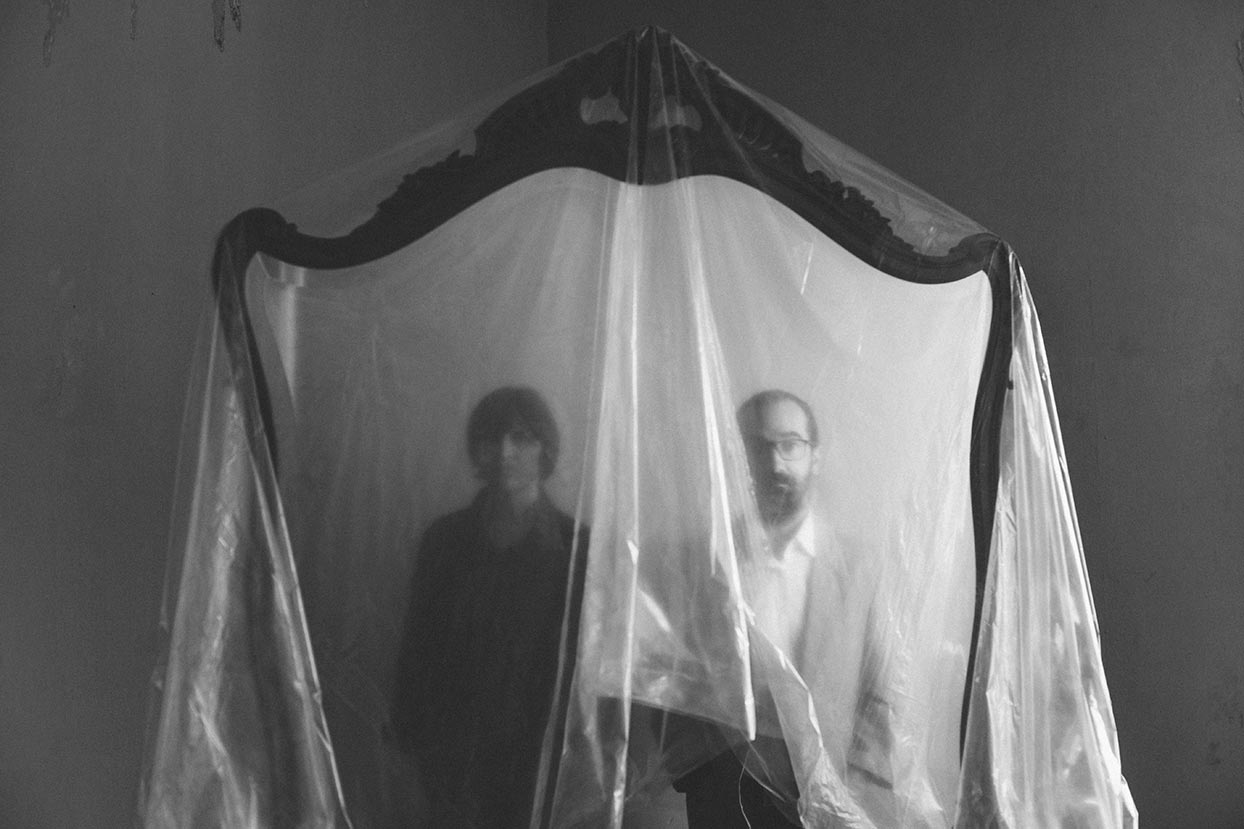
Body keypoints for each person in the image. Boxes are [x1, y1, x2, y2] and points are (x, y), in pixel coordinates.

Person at [671, 389, 893, 828]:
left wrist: (849, 790)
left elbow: (881, 690)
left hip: (827, 801)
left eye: (790, 444)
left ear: (816, 456)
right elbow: (672, 677)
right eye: (757, 447)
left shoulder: (860, 569)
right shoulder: (705, 562)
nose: (774, 464)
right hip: (722, 802)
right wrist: (696, 776)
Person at [390, 386, 586, 829]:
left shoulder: (576, 547)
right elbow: (419, 642)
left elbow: (585, 663)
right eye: (491, 438)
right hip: (452, 749)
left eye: (521, 438)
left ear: (545, 447)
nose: (504, 452)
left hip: (539, 750)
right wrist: (410, 733)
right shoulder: (445, 539)